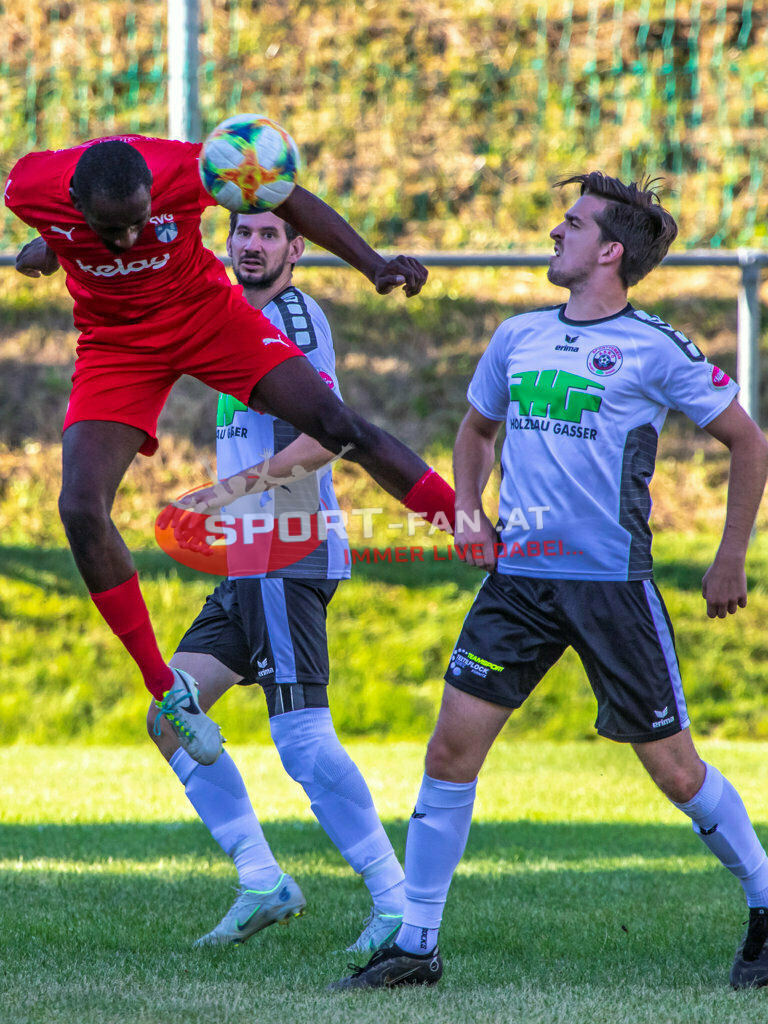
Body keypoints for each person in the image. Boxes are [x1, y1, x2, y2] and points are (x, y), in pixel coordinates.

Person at [332, 172, 768, 991]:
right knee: (451, 747)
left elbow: (750, 444)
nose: (554, 234)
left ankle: (767, 903)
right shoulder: (518, 336)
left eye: (571, 225)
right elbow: (475, 428)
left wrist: (729, 556)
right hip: (519, 582)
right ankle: (416, 945)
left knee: (676, 772)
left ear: (610, 251)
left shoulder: (656, 347)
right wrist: (468, 506)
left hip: (610, 586)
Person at [4, 134, 455, 766]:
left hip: (204, 316)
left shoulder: (186, 168)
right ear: (74, 203)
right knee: (80, 509)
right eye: (112, 230)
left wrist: (373, 264)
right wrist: (51, 250)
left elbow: (286, 196)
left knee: (336, 423)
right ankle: (168, 692)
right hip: (117, 345)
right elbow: (64, 229)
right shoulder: (31, 186)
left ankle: (468, 525)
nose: (130, 241)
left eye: (141, 223)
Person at [147, 209, 405, 951]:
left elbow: (328, 435)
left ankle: (397, 905)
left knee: (300, 739)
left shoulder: (292, 314)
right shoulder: (230, 314)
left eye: (269, 234)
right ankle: (262, 880)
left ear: (297, 248)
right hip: (248, 559)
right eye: (241, 233)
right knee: (172, 715)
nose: (252, 245)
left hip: (283, 552)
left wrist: (230, 496)